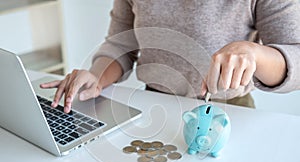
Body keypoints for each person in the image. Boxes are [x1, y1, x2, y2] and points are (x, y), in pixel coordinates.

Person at [41, 0, 300, 113]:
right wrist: (96, 77)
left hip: (230, 110)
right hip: (154, 104)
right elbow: (120, 44)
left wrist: (255, 54)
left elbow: (296, 55)